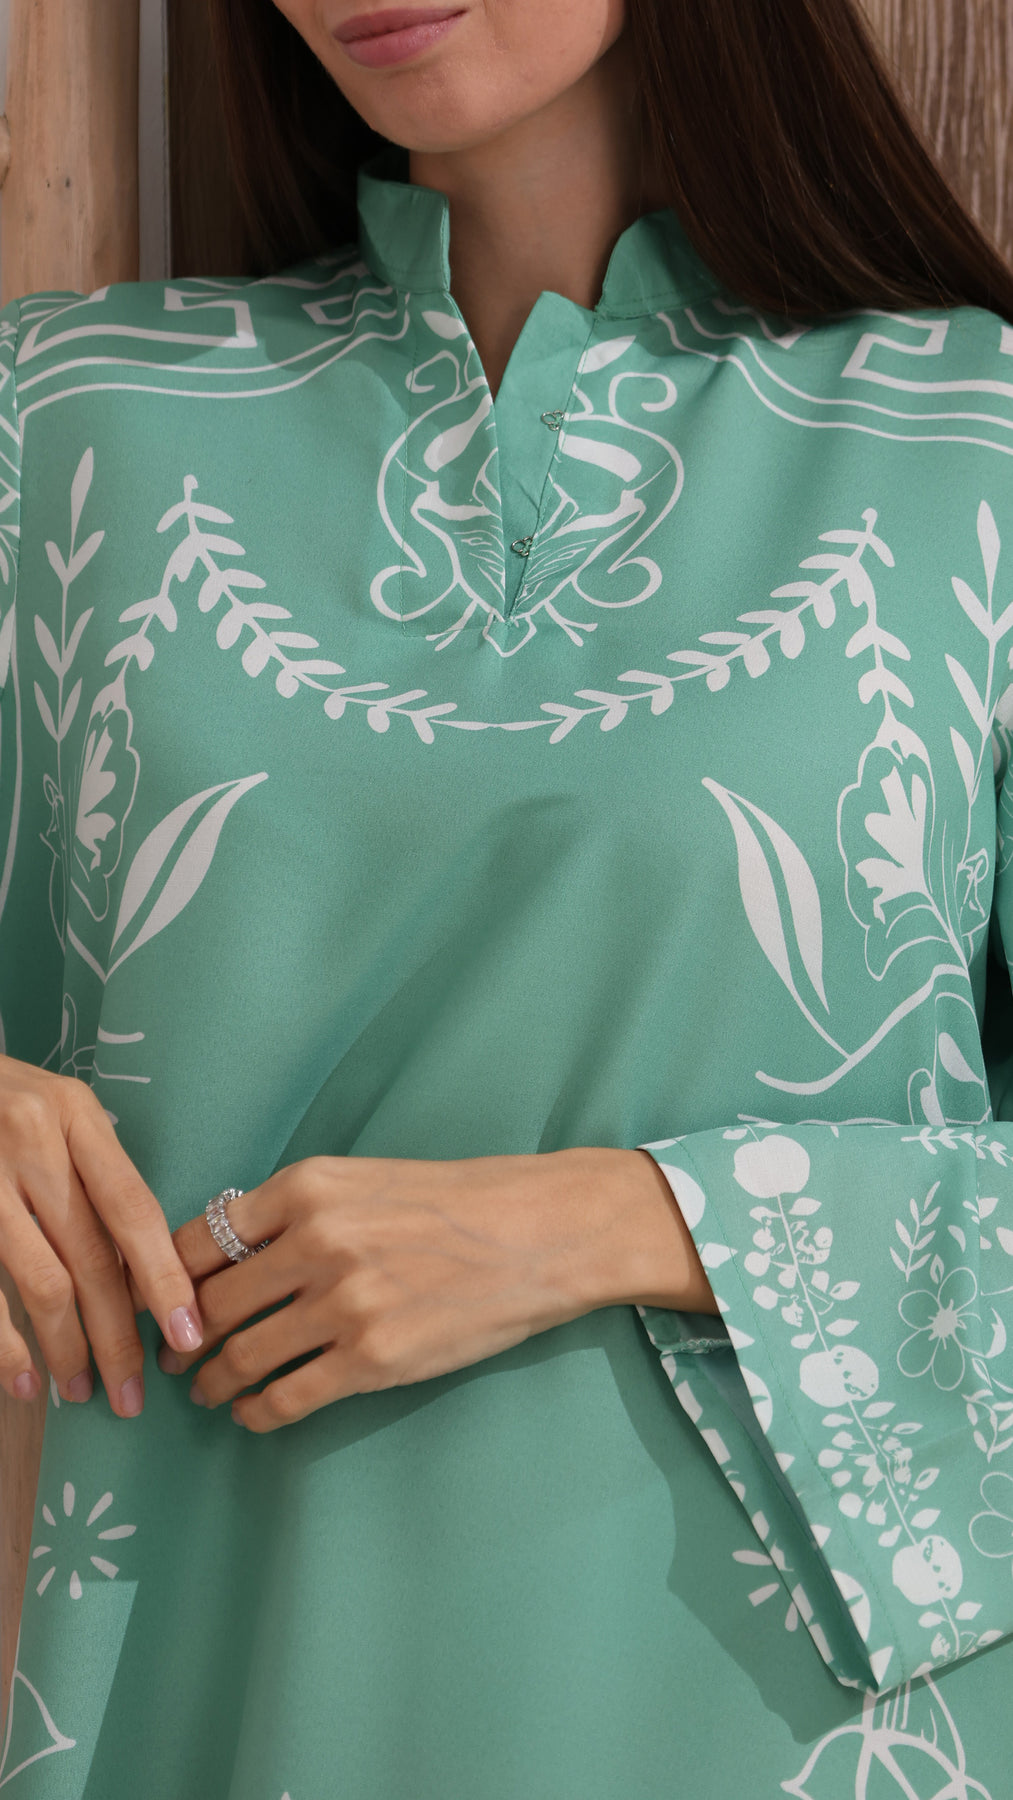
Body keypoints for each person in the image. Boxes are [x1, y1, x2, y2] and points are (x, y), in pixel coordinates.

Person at [1, 0, 1013, 1792]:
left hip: (796, 1728)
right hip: (217, 1678)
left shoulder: (974, 438)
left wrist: (624, 1222)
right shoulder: (65, 424)